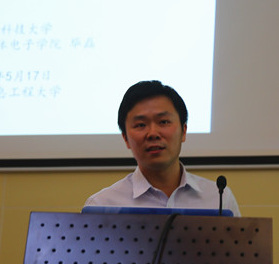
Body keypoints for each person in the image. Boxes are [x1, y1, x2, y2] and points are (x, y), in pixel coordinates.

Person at [84, 80, 241, 216]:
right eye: (140, 125)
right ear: (125, 138)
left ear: (183, 131)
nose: (153, 133)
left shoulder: (219, 198)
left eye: (163, 122)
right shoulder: (102, 205)